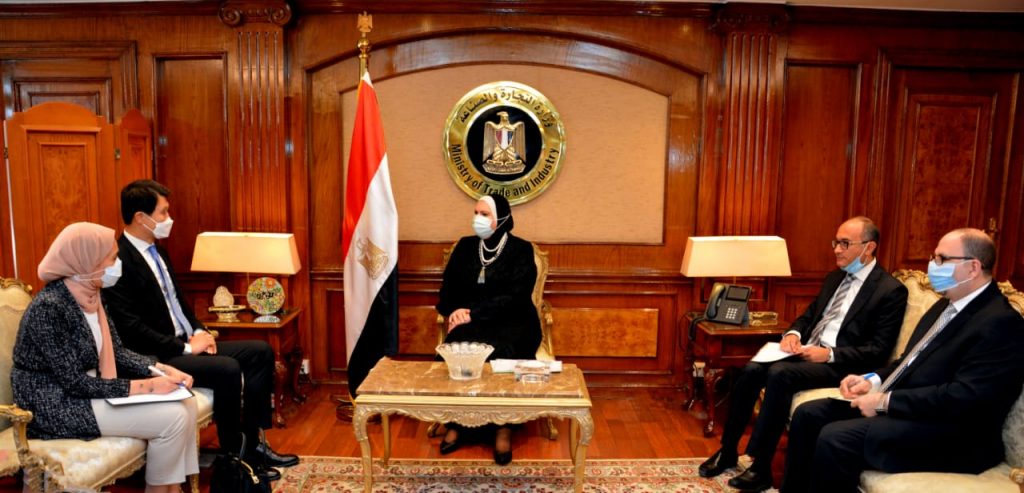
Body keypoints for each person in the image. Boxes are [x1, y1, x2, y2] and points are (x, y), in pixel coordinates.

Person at [780, 228, 1024, 493]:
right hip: (911, 408)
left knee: (836, 438)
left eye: (941, 259)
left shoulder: (1000, 322)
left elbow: (965, 397)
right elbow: (909, 361)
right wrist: (871, 380)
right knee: (809, 414)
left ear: (973, 267)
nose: (932, 265)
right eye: (933, 257)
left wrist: (884, 401)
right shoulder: (945, 304)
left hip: (952, 433)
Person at [103, 179, 298, 478]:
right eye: (163, 212)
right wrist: (184, 347)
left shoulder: (159, 253)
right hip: (157, 356)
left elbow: (178, 302)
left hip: (184, 342)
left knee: (260, 351)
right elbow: (131, 328)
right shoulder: (119, 261)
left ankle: (253, 444)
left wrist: (199, 331)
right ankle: (234, 460)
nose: (169, 219)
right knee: (227, 368)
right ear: (141, 217)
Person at [699, 216, 908, 492]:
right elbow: (809, 316)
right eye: (836, 242)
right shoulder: (835, 278)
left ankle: (761, 466)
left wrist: (829, 354)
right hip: (807, 352)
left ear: (869, 247)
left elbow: (878, 350)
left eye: (845, 244)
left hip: (842, 365)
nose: (836, 250)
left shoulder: (890, 290)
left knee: (780, 373)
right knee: (751, 370)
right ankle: (727, 450)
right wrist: (793, 335)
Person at [13, 222, 198, 493]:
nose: (117, 264)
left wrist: (160, 369)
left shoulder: (92, 295)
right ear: (86, 261)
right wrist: (146, 387)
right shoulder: (49, 307)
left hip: (88, 392)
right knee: (173, 418)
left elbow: (117, 352)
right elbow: (74, 382)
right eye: (111, 258)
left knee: (187, 403)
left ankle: (175, 489)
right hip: (56, 405)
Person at [435, 193, 542, 465]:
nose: (477, 219)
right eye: (476, 213)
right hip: (471, 322)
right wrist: (455, 310)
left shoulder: (521, 250)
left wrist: (473, 313)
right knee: (457, 350)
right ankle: (458, 421)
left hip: (514, 321)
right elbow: (448, 289)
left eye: (484, 214)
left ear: (502, 219)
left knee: (504, 351)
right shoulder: (465, 247)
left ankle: (503, 426)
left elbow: (517, 297)